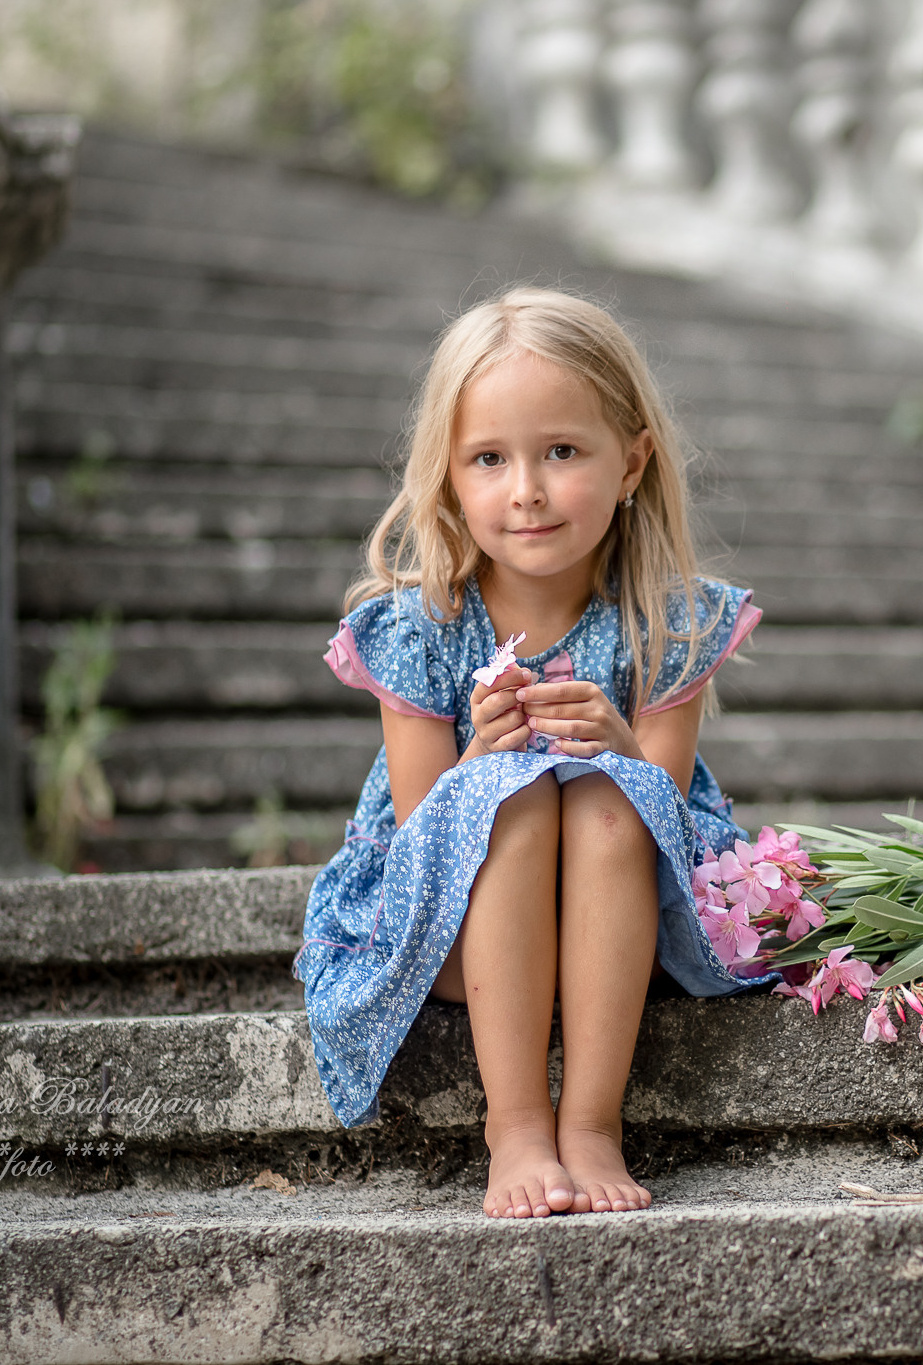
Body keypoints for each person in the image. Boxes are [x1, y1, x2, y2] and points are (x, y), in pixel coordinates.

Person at [293, 287, 770, 1221]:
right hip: (447, 920)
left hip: (626, 905)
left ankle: (590, 1123)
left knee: (603, 796)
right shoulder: (420, 626)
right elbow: (425, 823)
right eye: (489, 459)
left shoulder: (664, 623)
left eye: (561, 451)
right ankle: (514, 1125)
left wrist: (624, 746)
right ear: (447, 481)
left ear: (630, 460)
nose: (528, 489)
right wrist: (480, 760)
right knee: (513, 795)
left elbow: (662, 818)